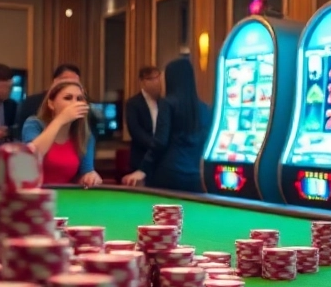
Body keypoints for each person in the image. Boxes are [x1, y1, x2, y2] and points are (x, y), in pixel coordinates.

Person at [122, 57, 211, 193]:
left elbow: (160, 142)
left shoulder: (167, 103)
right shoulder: (204, 108)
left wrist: (143, 169)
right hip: (195, 175)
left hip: (169, 172)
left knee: (163, 207)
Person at [21, 80, 103, 187]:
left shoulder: (84, 135)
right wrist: (60, 120)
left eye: (79, 99)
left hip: (65, 194)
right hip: (33, 192)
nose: (75, 103)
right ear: (51, 104)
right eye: (68, 98)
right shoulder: (34, 124)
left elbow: (85, 172)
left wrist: (91, 176)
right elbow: (30, 157)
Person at [15, 63, 79, 137]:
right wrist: (60, 120)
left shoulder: (82, 116)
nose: (71, 86)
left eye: (75, 83)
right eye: (67, 98)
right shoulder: (33, 116)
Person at [124, 65, 162, 173]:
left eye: (158, 78)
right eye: (152, 79)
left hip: (161, 160)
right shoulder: (133, 103)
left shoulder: (164, 102)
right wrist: (155, 146)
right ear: (142, 82)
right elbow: (135, 130)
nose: (156, 82)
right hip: (141, 158)